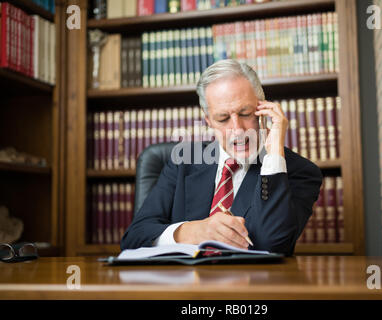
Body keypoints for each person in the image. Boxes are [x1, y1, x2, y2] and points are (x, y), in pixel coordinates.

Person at [120, 59, 322, 255]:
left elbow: (273, 244)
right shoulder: (184, 161)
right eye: (223, 118)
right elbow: (134, 238)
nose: (237, 129)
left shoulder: (299, 172)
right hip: (185, 286)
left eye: (245, 113)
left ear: (263, 109)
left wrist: (274, 157)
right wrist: (192, 232)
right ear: (208, 120)